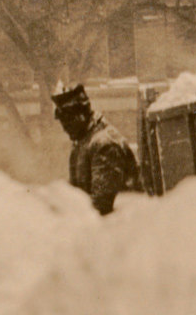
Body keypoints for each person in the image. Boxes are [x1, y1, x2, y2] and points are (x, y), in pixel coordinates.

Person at [53, 84, 141, 216]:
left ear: (82, 113)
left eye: (69, 121)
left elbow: (102, 205)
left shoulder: (103, 144)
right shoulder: (83, 141)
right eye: (63, 123)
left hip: (118, 227)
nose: (65, 128)